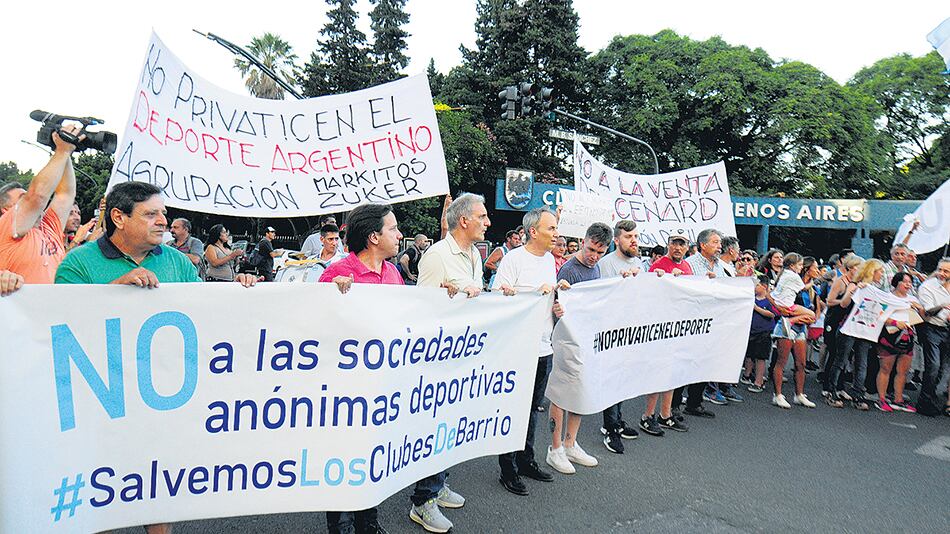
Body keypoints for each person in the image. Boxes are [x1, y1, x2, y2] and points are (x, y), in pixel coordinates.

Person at [55, 182, 257, 534]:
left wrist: (239, 290)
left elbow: (205, 315)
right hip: (103, 401)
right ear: (118, 217)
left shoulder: (177, 262)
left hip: (159, 398)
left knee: (153, 485)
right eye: (151, 213)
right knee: (98, 489)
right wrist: (118, 288)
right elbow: (59, 324)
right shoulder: (78, 263)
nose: (164, 221)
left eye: (163, 213)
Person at [318, 203, 403, 534]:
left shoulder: (394, 274)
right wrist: (330, 294)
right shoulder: (335, 274)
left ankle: (369, 521)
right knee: (341, 458)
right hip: (343, 391)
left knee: (372, 456)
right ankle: (341, 524)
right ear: (373, 237)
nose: (399, 235)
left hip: (380, 388)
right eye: (393, 228)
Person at [409, 194, 489, 533]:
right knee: (434, 431)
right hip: (437, 363)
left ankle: (439, 484)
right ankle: (422, 501)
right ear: (464, 220)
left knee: (452, 429)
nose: (488, 222)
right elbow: (423, 311)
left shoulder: (473, 254)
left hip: (463, 358)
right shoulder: (437, 256)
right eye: (482, 216)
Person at [492, 208, 565, 497]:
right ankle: (507, 469)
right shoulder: (513, 259)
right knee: (514, 410)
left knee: (533, 409)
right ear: (533, 231)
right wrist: (534, 293)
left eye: (556, 228)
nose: (556, 234)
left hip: (543, 347)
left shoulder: (549, 260)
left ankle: (526, 459)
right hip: (518, 351)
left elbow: (548, 299)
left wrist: (556, 304)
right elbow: (498, 297)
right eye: (551, 229)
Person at [545, 222, 609, 474]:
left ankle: (571, 443)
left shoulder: (596, 270)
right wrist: (557, 306)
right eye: (592, 249)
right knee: (561, 395)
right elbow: (554, 305)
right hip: (565, 340)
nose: (594, 256)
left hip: (584, 340)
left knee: (580, 391)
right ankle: (555, 448)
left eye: (600, 252)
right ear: (583, 242)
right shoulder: (569, 269)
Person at [0, 125, 80, 283]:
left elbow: (65, 194)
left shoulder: (48, 228)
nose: (29, 202)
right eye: (22, 198)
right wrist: (62, 151)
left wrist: (65, 148)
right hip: (21, 308)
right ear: (5, 210)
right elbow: (37, 196)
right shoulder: (5, 226)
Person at [597, 220, 651, 453]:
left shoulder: (640, 263)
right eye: (628, 236)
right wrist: (620, 282)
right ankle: (610, 429)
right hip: (612, 331)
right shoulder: (605, 264)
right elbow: (599, 298)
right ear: (617, 240)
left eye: (635, 236)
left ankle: (617, 421)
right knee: (612, 380)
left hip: (632, 330)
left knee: (623, 380)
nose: (634, 240)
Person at [650, 231, 715, 419]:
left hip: (682, 326)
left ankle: (669, 411)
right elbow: (650, 293)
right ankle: (656, 414)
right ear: (668, 245)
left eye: (682, 244)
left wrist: (705, 282)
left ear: (688, 247)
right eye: (674, 243)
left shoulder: (686, 265)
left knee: (676, 371)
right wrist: (667, 278)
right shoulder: (659, 265)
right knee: (663, 373)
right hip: (664, 326)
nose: (678, 248)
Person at [834, 258, 887, 410]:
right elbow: (844, 304)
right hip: (849, 328)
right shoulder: (856, 285)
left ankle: (858, 394)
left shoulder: (877, 290)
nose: (882, 275)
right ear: (872, 271)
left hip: (865, 331)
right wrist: (854, 290)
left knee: (861, 363)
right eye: (880, 271)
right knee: (841, 360)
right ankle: (832, 391)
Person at [770, 255, 819, 409]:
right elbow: (772, 297)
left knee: (801, 363)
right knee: (781, 361)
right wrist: (779, 309)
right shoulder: (792, 280)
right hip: (786, 322)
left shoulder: (809, 289)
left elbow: (815, 311)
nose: (817, 271)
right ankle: (777, 395)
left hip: (799, 326)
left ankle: (799, 395)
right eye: (815, 268)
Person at [875, 272, 926, 412]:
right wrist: (896, 322)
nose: (908, 285)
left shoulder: (912, 298)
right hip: (889, 335)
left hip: (908, 336)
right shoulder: (887, 297)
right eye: (905, 282)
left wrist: (920, 308)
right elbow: (879, 315)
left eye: (910, 282)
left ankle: (898, 399)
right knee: (886, 368)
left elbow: (923, 318)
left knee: (903, 371)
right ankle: (882, 399)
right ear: (896, 282)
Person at [821, 254, 863, 405]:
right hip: (834, 318)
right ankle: (828, 385)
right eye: (858, 267)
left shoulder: (857, 283)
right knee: (834, 353)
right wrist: (845, 299)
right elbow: (829, 301)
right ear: (851, 268)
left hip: (847, 320)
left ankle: (840, 386)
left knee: (844, 354)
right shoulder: (840, 282)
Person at [915, 258, 950, 417]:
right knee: (933, 366)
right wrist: (942, 306)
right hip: (932, 328)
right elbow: (927, 312)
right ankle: (924, 402)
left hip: (947, 330)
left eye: (946, 271)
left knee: (942, 367)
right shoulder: (928, 286)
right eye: (940, 269)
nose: (941, 274)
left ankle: (931, 394)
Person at [742, 275, 778, 392]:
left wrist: (756, 308)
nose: (754, 287)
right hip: (751, 330)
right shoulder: (751, 297)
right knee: (749, 355)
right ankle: (747, 375)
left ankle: (758, 381)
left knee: (760, 357)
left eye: (757, 285)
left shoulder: (769, 301)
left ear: (764, 286)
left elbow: (772, 314)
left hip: (764, 332)